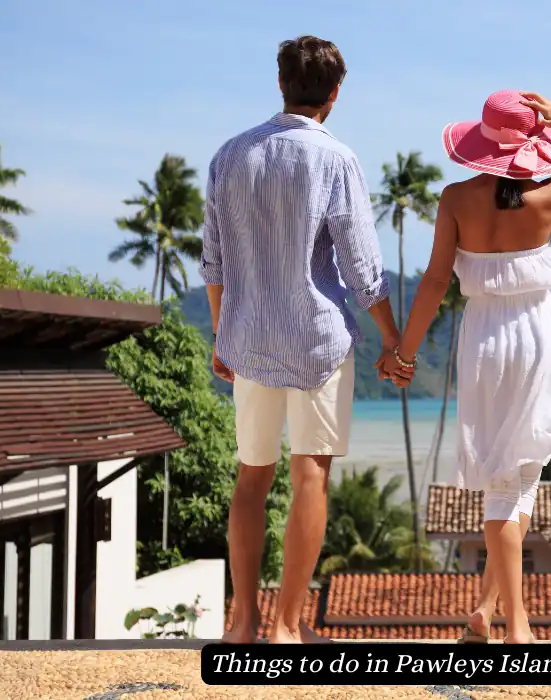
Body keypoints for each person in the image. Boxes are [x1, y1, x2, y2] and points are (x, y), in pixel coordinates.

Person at [391, 89, 551, 644]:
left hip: (484, 338)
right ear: (534, 141)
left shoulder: (454, 198)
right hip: (540, 335)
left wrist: (406, 352)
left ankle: (488, 610)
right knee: (514, 476)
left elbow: (432, 282)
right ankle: (516, 626)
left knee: (514, 475)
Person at [199, 35, 409, 644]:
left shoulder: (229, 156)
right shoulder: (336, 159)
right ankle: (288, 626)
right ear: (335, 94)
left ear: (281, 84)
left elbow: (213, 259)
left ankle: (242, 622)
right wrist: (393, 343)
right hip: (317, 341)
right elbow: (361, 268)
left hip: (249, 338)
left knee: (250, 478)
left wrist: (222, 333)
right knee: (309, 475)